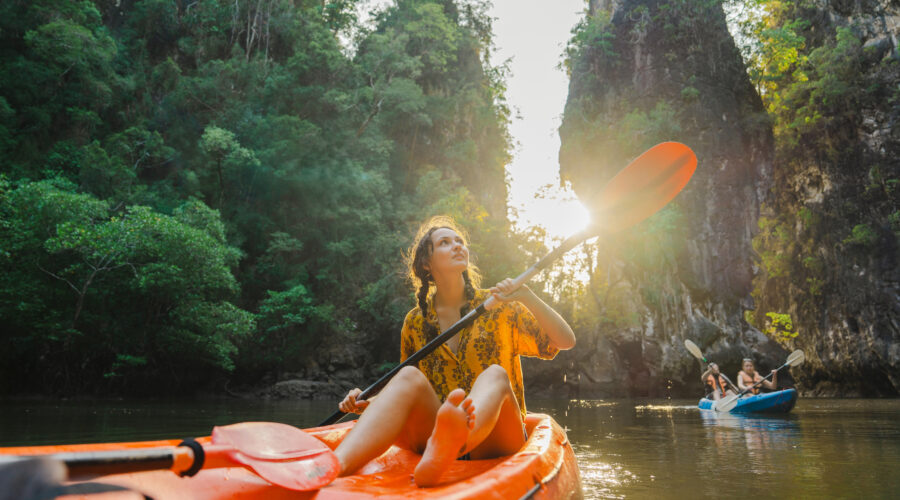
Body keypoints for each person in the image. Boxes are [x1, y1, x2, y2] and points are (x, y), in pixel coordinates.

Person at [333, 216, 576, 487]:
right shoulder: (415, 321)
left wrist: (527, 295)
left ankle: (455, 444)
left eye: (460, 241)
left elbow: (565, 341)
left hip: (497, 437)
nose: (457, 246)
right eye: (445, 243)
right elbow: (405, 394)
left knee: (495, 374)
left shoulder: (501, 306)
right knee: (407, 377)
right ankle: (335, 465)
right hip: (437, 430)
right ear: (427, 263)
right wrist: (367, 402)